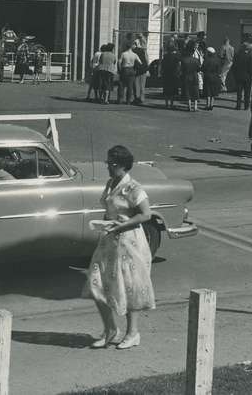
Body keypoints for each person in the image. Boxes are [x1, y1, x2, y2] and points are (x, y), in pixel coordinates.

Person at [87, 145, 155, 350]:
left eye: (112, 163)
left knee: (130, 286)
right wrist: (106, 223)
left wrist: (121, 224)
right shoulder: (111, 183)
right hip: (109, 240)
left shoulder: (133, 187)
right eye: (108, 162)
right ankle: (110, 330)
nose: (108, 166)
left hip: (129, 242)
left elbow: (146, 214)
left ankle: (133, 333)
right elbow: (110, 209)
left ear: (122, 165)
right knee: (96, 282)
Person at [232, 39, 252, 110]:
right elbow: (251, 67)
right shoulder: (249, 56)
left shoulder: (237, 55)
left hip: (239, 76)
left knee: (239, 92)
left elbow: (234, 66)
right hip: (247, 77)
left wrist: (235, 75)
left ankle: (238, 105)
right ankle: (246, 106)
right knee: (247, 92)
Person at [179, 41, 202, 112]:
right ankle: (195, 107)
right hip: (194, 76)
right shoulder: (196, 60)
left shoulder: (183, 60)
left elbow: (181, 69)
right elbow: (198, 69)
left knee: (187, 91)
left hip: (186, 76)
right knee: (195, 91)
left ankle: (189, 106)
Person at [160, 44, 181, 109]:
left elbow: (162, 65)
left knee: (166, 90)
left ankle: (166, 104)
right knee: (173, 91)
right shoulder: (176, 57)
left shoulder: (165, 56)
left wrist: (161, 72)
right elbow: (179, 65)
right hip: (174, 75)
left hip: (166, 75)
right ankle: (171, 104)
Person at [201, 46, 223, 111]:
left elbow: (202, 68)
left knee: (208, 92)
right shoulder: (217, 60)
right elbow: (219, 70)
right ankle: (212, 105)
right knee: (213, 92)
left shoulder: (206, 60)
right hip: (215, 77)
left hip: (207, 77)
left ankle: (207, 105)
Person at [132, 35, 149, 105]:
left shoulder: (134, 51)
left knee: (136, 84)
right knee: (142, 85)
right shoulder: (143, 51)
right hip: (144, 69)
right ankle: (142, 98)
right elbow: (147, 59)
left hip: (137, 69)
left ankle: (137, 98)